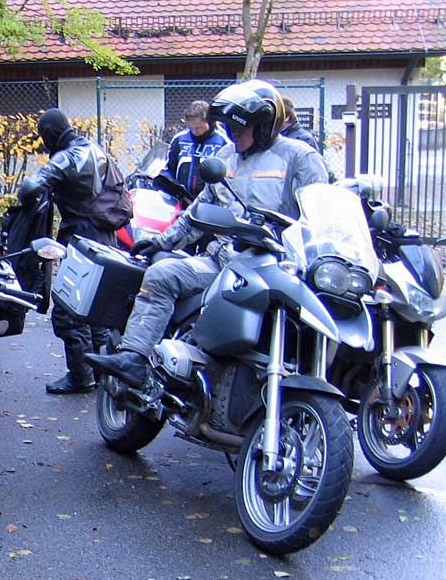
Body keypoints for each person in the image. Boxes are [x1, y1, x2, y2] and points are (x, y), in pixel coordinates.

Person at [87, 79, 330, 388]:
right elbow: (199, 211)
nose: (232, 132)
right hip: (224, 261)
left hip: (277, 267)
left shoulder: (299, 157)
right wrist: (160, 242)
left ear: (264, 125)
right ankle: (134, 357)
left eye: (240, 126)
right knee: (161, 274)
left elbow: (321, 214)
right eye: (228, 126)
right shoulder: (226, 158)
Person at [18, 108, 132, 395]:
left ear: (49, 134)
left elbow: (30, 186)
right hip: (106, 237)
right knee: (98, 309)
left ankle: (81, 377)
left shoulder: (69, 157)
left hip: (83, 239)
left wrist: (26, 201)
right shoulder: (94, 148)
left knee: (69, 310)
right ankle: (103, 373)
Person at [160, 100, 232, 199]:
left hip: (212, 201)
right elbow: (168, 169)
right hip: (182, 199)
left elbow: (230, 175)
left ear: (209, 122)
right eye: (191, 127)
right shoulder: (179, 139)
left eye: (198, 127)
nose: (194, 131)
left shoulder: (224, 142)